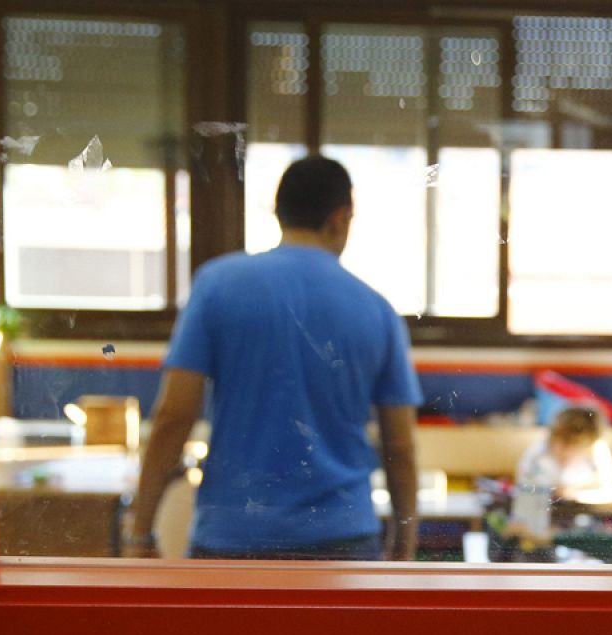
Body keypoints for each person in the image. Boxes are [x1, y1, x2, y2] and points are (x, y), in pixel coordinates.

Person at [126, 156, 422, 561]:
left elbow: (174, 416)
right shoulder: (378, 311)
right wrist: (403, 547)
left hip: (233, 539)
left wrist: (140, 531)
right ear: (340, 218)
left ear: (279, 212)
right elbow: (400, 447)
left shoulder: (217, 285)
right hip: (344, 542)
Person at [515, 405, 612, 498]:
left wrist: (573, 490)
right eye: (564, 445)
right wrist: (553, 490)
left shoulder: (596, 451)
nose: (567, 452)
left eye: (576, 447)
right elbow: (524, 481)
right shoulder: (538, 453)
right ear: (552, 437)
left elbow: (606, 480)